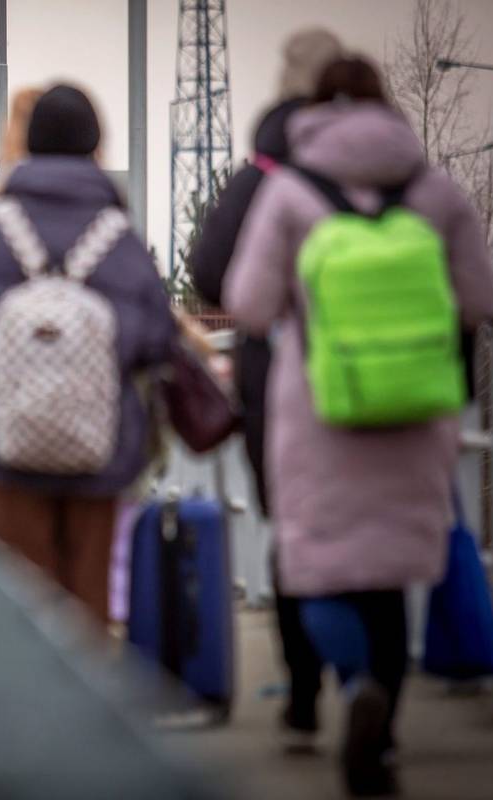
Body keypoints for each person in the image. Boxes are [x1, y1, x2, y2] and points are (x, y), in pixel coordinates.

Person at [224, 56, 493, 795]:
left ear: (313, 112)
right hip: (416, 408)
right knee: (391, 574)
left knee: (317, 569)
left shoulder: (288, 193)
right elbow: (479, 295)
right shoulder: (433, 190)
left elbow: (247, 303)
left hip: (319, 410)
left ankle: (352, 692)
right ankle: (382, 737)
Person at [0, 84, 175, 623]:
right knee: (87, 602)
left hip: (9, 443)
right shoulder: (119, 237)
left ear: (28, 144)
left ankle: (32, 702)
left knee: (23, 604)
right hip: (103, 447)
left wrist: (15, 344)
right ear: (97, 145)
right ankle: (90, 700)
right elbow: (157, 336)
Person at [188, 27, 341, 751]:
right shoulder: (399, 168)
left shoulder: (266, 174)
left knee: (292, 530)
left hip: (284, 379)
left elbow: (212, 272)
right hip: (400, 380)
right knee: (386, 528)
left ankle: (306, 695)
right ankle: (378, 685)